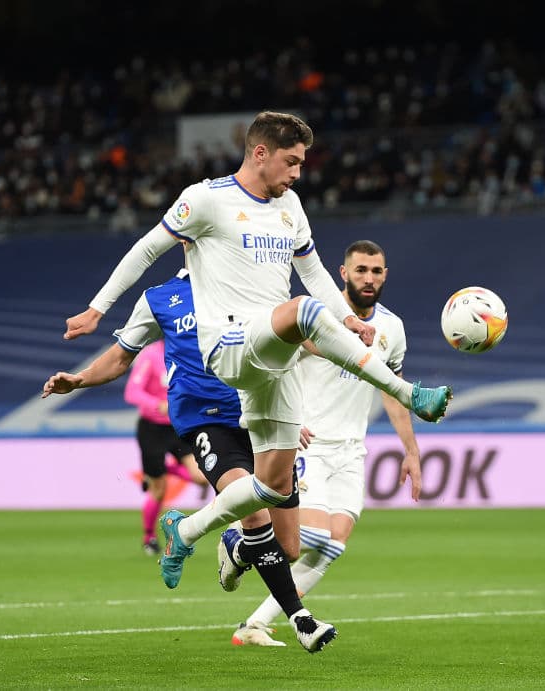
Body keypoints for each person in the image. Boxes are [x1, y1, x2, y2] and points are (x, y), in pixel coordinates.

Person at [64, 111, 451, 631]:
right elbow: (146, 249)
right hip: (230, 345)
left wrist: (347, 323)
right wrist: (96, 308)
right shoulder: (206, 199)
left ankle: (186, 531)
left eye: (302, 164)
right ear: (260, 153)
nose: (297, 174)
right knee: (302, 312)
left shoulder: (290, 207)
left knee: (272, 490)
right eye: (291, 162)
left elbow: (312, 271)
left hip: (275, 363)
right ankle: (412, 392)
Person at [46, 269, 344, 652]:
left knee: (288, 546)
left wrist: (341, 344)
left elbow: (295, 341)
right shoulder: (160, 298)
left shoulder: (252, 282)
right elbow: (121, 358)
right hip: (208, 421)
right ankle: (300, 619)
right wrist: (80, 379)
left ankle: (237, 547)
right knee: (252, 510)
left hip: (262, 417)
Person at [231, 240, 424, 646]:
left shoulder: (393, 328)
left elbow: (392, 391)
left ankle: (253, 625)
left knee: (332, 545)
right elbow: (272, 364)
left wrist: (411, 451)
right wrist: (285, 419)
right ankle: (241, 532)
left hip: (351, 450)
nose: (368, 278)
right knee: (307, 540)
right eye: (360, 271)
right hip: (308, 444)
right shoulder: (316, 317)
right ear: (343, 273)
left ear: (385, 275)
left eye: (375, 271)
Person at [123, 339, 206, 556]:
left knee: (202, 476)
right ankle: (149, 537)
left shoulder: (188, 353)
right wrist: (157, 405)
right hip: (152, 429)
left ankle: (161, 469)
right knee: (159, 491)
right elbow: (132, 392)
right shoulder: (150, 355)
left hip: (179, 427)